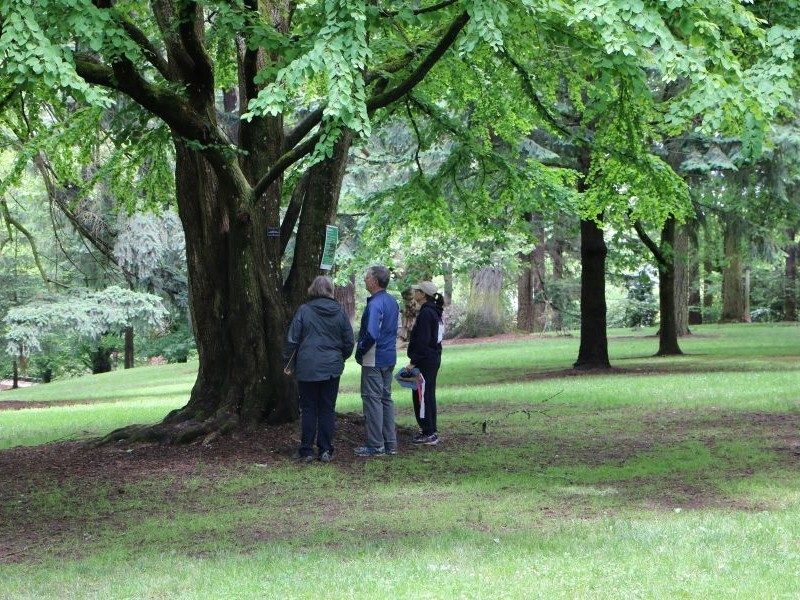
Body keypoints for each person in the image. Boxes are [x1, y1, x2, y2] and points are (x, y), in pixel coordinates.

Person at [283, 275, 354, 463]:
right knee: (327, 409)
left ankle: (306, 450)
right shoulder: (340, 312)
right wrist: (339, 358)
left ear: (313, 289)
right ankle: (325, 449)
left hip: (307, 367)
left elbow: (292, 339)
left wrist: (288, 362)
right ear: (331, 290)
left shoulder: (304, 311)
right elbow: (349, 341)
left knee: (308, 408)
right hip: (331, 367)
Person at [354, 266, 400, 457]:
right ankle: (391, 443)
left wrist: (360, 350)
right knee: (385, 399)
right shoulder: (392, 301)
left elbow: (372, 333)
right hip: (389, 356)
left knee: (372, 400)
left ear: (374, 281)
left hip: (374, 358)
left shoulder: (375, 304)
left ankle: (376, 445)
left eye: (366, 277)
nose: (364, 280)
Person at [405, 281, 444, 445]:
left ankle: (429, 432)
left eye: (417, 291)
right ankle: (430, 429)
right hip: (431, 358)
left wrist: (414, 362)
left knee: (422, 395)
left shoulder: (427, 313)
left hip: (425, 360)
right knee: (426, 394)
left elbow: (423, 340)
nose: (414, 293)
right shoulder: (432, 311)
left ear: (423, 294)